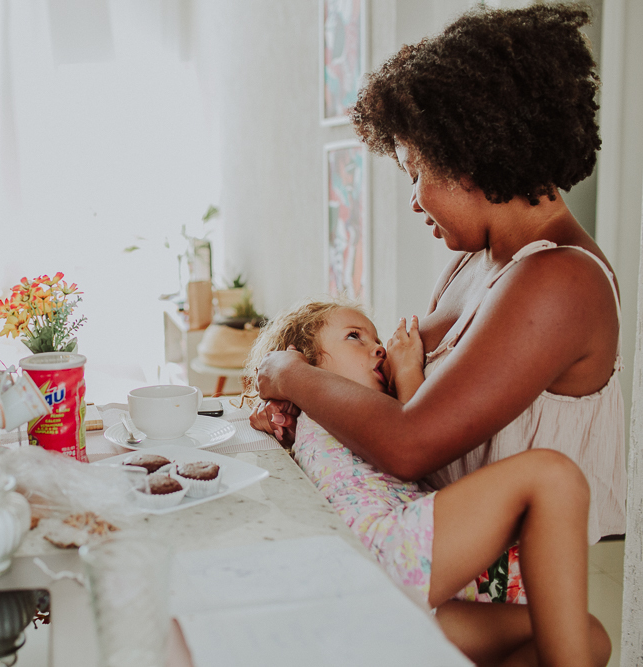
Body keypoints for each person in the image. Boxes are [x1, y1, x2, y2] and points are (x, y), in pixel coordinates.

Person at [251, 3, 626, 600]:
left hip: (506, 600)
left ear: (468, 158)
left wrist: (289, 374)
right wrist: (302, 414)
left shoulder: (560, 281)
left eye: (416, 171)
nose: (414, 199)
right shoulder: (476, 262)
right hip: (442, 570)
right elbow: (385, 384)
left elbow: (408, 441)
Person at [245, 297, 611, 666]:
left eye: (376, 338)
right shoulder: (327, 409)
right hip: (381, 552)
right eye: (354, 336)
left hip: (395, 586)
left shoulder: (337, 416)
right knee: (552, 476)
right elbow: (419, 437)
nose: (378, 348)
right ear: (304, 362)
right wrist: (407, 373)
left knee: (590, 637)